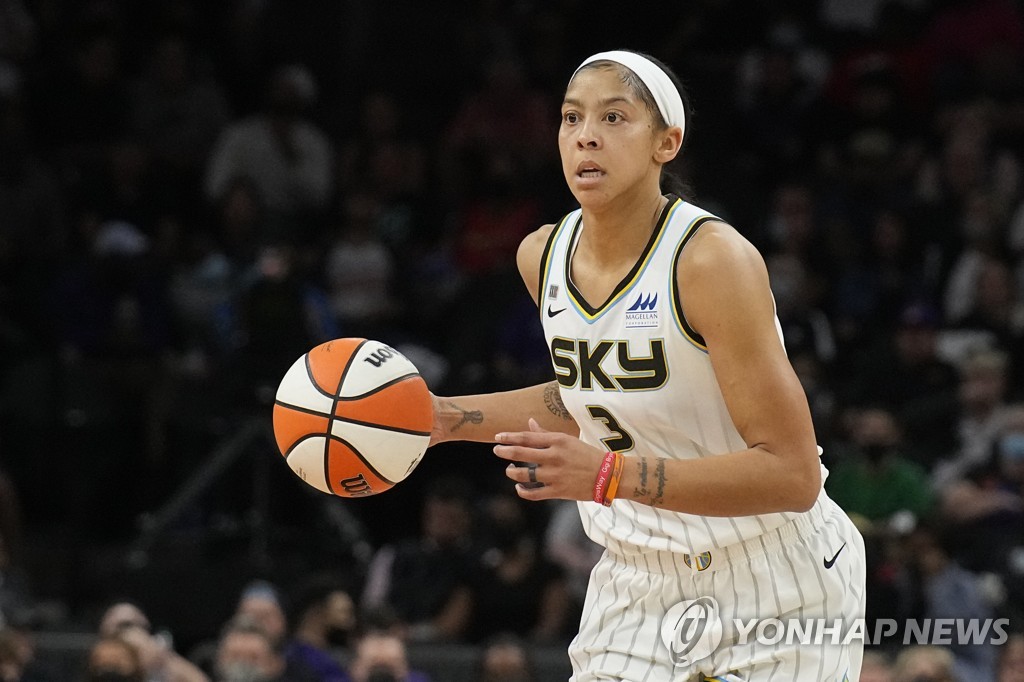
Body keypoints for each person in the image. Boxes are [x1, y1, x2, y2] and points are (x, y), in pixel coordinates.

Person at [428, 49, 866, 681]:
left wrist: (610, 475)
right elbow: (589, 394)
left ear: (667, 141)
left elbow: (792, 475)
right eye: (571, 118)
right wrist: (444, 417)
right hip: (639, 581)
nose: (586, 136)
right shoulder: (541, 255)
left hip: (773, 574)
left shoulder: (711, 261)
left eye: (613, 118)